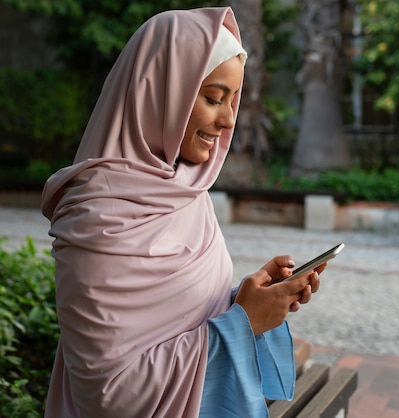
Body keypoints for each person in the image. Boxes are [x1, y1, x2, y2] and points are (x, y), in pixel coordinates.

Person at [41, 7, 322, 418]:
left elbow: (185, 322)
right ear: (161, 93)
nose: (228, 120)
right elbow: (108, 395)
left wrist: (250, 301)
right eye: (213, 98)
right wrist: (243, 324)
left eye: (233, 100)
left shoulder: (187, 193)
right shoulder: (95, 217)